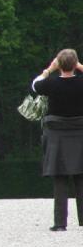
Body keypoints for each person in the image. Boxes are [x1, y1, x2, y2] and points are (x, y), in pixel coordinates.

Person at [32, 49, 83, 231]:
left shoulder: (51, 84)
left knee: (60, 178)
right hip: (80, 132)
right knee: (81, 177)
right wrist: (79, 66)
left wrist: (48, 70)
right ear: (75, 64)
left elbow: (35, 85)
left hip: (57, 135)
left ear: (59, 65)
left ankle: (60, 223)